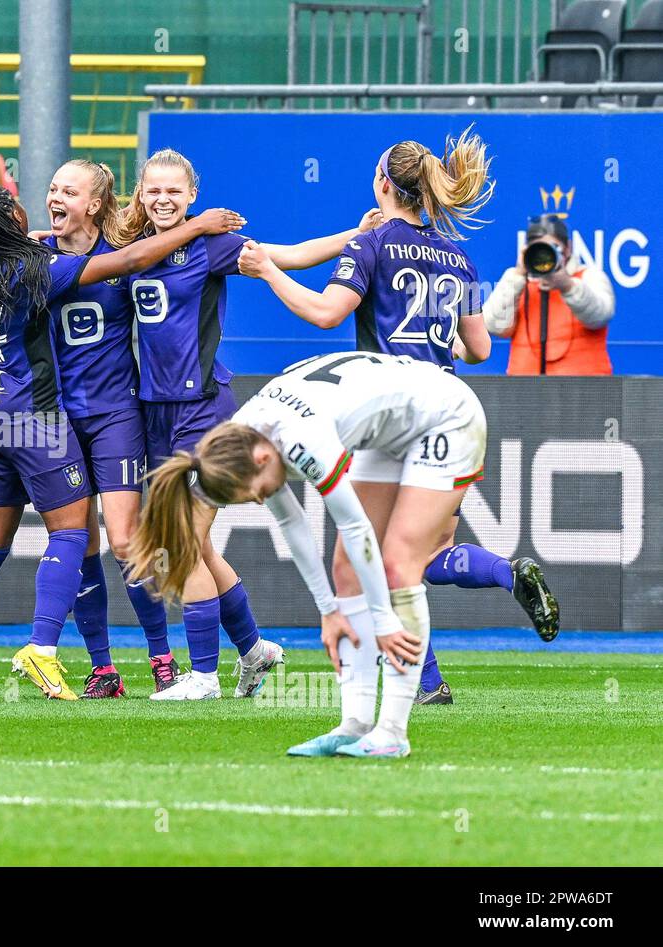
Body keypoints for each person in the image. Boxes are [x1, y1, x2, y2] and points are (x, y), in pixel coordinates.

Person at [237, 129, 559, 706]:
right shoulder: (457, 257)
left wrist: (268, 273)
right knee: (422, 556)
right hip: (448, 411)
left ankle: (415, 688)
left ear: (383, 183)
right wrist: (436, 346)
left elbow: (325, 313)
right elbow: (481, 348)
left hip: (387, 413)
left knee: (370, 557)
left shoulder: (374, 243)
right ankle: (509, 577)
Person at [0, 182, 239, 701]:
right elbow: (131, 260)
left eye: (63, 189)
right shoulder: (39, 265)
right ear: (9, 217)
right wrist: (197, 224)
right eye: (43, 192)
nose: (46, 198)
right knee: (76, 537)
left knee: (7, 539)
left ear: (94, 203)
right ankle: (50, 651)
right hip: (39, 415)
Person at [129, 351, 508, 757]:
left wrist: (382, 619)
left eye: (256, 492)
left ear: (262, 459)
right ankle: (354, 724)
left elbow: (355, 526)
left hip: (446, 415)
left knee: (398, 564)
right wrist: (329, 610)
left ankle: (393, 733)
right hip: (391, 426)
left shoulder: (298, 440)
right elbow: (293, 525)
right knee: (346, 569)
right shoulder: (242, 439)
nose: (260, 501)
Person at [112, 147, 382, 702]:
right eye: (153, 191)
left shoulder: (211, 245)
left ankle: (204, 676)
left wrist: (354, 237)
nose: (163, 199)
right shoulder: (132, 250)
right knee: (202, 549)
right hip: (152, 415)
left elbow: (291, 255)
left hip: (202, 412)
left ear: (192, 196)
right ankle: (254, 650)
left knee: (183, 542)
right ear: (141, 196)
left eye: (174, 191)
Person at [483, 213, 615, 375]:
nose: (545, 256)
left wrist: (567, 285)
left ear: (568, 249)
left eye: (553, 248)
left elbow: (600, 315)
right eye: (538, 249)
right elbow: (495, 326)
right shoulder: (517, 282)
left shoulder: (589, 276)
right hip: (524, 392)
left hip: (584, 391)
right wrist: (517, 276)